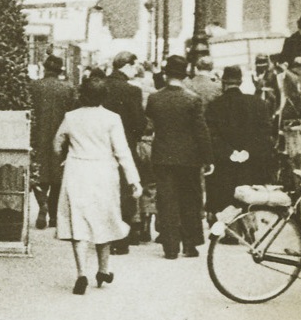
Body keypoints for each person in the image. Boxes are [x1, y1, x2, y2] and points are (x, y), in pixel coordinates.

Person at [53, 75, 141, 294]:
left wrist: (66, 155)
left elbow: (57, 143)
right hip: (103, 172)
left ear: (82, 94)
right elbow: (122, 152)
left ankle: (81, 274)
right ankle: (103, 269)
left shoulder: (71, 117)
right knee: (104, 219)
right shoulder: (112, 118)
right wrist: (134, 180)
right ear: (104, 96)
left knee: (79, 222)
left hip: (77, 171)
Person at [146, 53, 213, 259]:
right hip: (189, 158)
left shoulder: (154, 98)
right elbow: (201, 131)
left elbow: (149, 126)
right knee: (190, 199)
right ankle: (190, 244)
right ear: (184, 76)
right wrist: (208, 158)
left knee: (166, 200)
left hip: (163, 156)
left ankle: (170, 247)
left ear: (166, 74)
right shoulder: (193, 99)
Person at [204, 65, 275, 215]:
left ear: (223, 82)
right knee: (250, 206)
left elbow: (212, 136)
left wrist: (230, 152)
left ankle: (231, 235)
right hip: (251, 165)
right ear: (241, 82)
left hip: (225, 166)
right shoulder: (257, 103)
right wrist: (247, 152)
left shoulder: (214, 106)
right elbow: (265, 134)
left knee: (227, 206)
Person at [103, 51, 147, 253]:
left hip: (100, 146)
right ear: (127, 66)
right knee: (124, 191)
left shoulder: (100, 86)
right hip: (125, 145)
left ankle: (103, 236)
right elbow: (139, 124)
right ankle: (121, 240)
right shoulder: (132, 91)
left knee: (103, 191)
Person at [28, 54, 77, 230]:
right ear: (60, 70)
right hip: (60, 137)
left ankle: (42, 204)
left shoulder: (33, 87)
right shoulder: (68, 89)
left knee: (37, 173)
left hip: (37, 136)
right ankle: (55, 216)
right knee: (57, 176)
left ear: (44, 68)